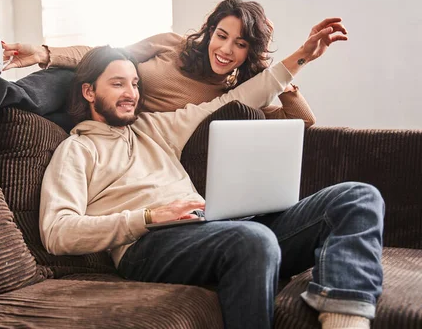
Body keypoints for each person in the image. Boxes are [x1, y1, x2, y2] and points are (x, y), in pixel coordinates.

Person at [38, 18, 384, 329]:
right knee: (253, 240)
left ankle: (345, 321)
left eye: (134, 84)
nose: (131, 94)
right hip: (147, 246)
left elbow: (234, 98)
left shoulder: (155, 127)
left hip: (212, 229)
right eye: (118, 84)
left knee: (357, 197)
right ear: (89, 91)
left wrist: (303, 56)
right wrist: (147, 217)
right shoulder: (77, 149)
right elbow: (57, 232)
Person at [2, 0, 317, 128]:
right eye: (221, 35)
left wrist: (280, 78)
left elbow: (303, 122)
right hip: (91, 93)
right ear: (210, 32)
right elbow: (108, 55)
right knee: (56, 78)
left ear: (250, 52)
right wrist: (44, 53)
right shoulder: (171, 44)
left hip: (112, 127)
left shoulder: (232, 96)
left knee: (21, 123)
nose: (225, 49)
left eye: (240, 43)